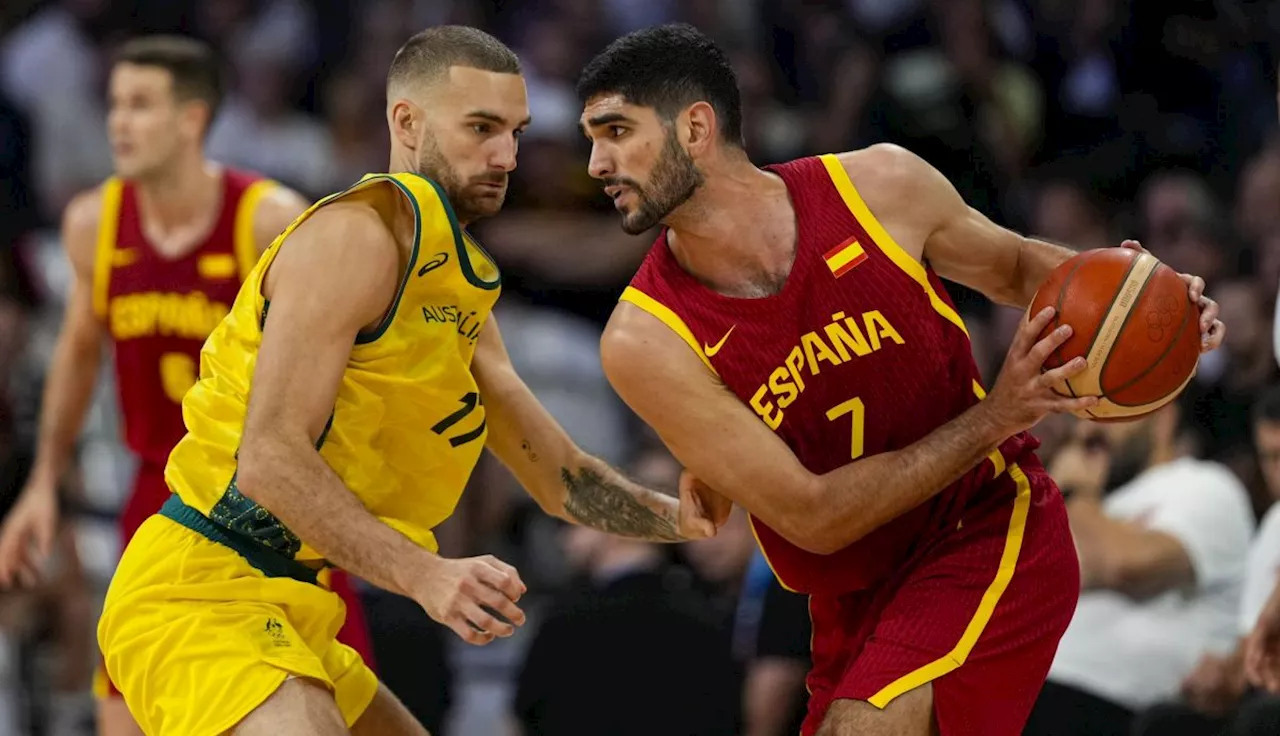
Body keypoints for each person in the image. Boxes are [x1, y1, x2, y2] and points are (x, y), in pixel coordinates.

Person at [578, 23, 1225, 736]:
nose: (595, 163)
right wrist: (996, 412)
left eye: (615, 132)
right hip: (849, 597)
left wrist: (1141, 298)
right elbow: (815, 517)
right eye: (592, 138)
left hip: (983, 525)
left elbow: (1012, 268)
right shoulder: (643, 340)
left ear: (695, 127)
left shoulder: (877, 186)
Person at [97, 25, 723, 736]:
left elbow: (564, 479)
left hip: (297, 601)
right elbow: (269, 458)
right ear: (407, 122)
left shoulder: (460, 301)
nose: (506, 155)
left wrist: (681, 519)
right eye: (481, 128)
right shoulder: (354, 238)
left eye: (515, 132)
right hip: (201, 586)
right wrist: (429, 576)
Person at [0, 35, 381, 736]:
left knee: (337, 711)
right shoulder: (95, 223)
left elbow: (346, 359)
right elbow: (80, 354)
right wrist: (43, 483)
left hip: (271, 507)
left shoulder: (266, 219)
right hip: (157, 499)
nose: (118, 122)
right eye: (114, 104)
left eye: (141, 106)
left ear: (193, 120)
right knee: (131, 712)